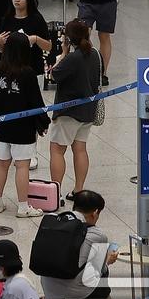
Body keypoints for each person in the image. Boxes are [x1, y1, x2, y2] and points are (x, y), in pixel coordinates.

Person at [0, 32, 47, 218]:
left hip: (0, 127)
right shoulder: (27, 73)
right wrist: (42, 123)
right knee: (22, 166)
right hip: (22, 128)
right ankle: (23, 206)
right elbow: (36, 102)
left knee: (1, 164)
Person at [39, 190, 119, 299]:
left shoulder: (53, 222)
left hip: (50, 294)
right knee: (104, 286)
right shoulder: (97, 235)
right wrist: (107, 260)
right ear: (95, 213)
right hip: (75, 298)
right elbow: (99, 271)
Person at [47, 20, 101, 196]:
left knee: (56, 149)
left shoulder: (72, 58)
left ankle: (56, 192)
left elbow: (53, 74)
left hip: (68, 112)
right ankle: (79, 189)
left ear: (68, 40)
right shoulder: (95, 54)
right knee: (80, 149)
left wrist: (63, 53)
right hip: (88, 111)